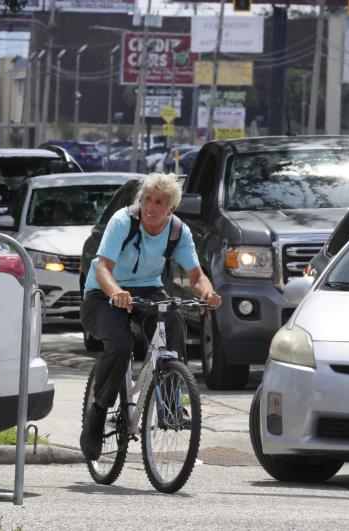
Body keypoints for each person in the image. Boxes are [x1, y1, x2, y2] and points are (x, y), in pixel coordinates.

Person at [78, 173, 222, 460]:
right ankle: (97, 413)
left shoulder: (177, 231)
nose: (150, 207)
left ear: (171, 209)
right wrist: (116, 292)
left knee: (174, 323)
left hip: (148, 289)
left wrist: (208, 293)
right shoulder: (123, 221)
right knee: (119, 345)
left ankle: (170, 403)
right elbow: (103, 268)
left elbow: (196, 275)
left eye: (159, 202)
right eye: (147, 199)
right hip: (104, 292)